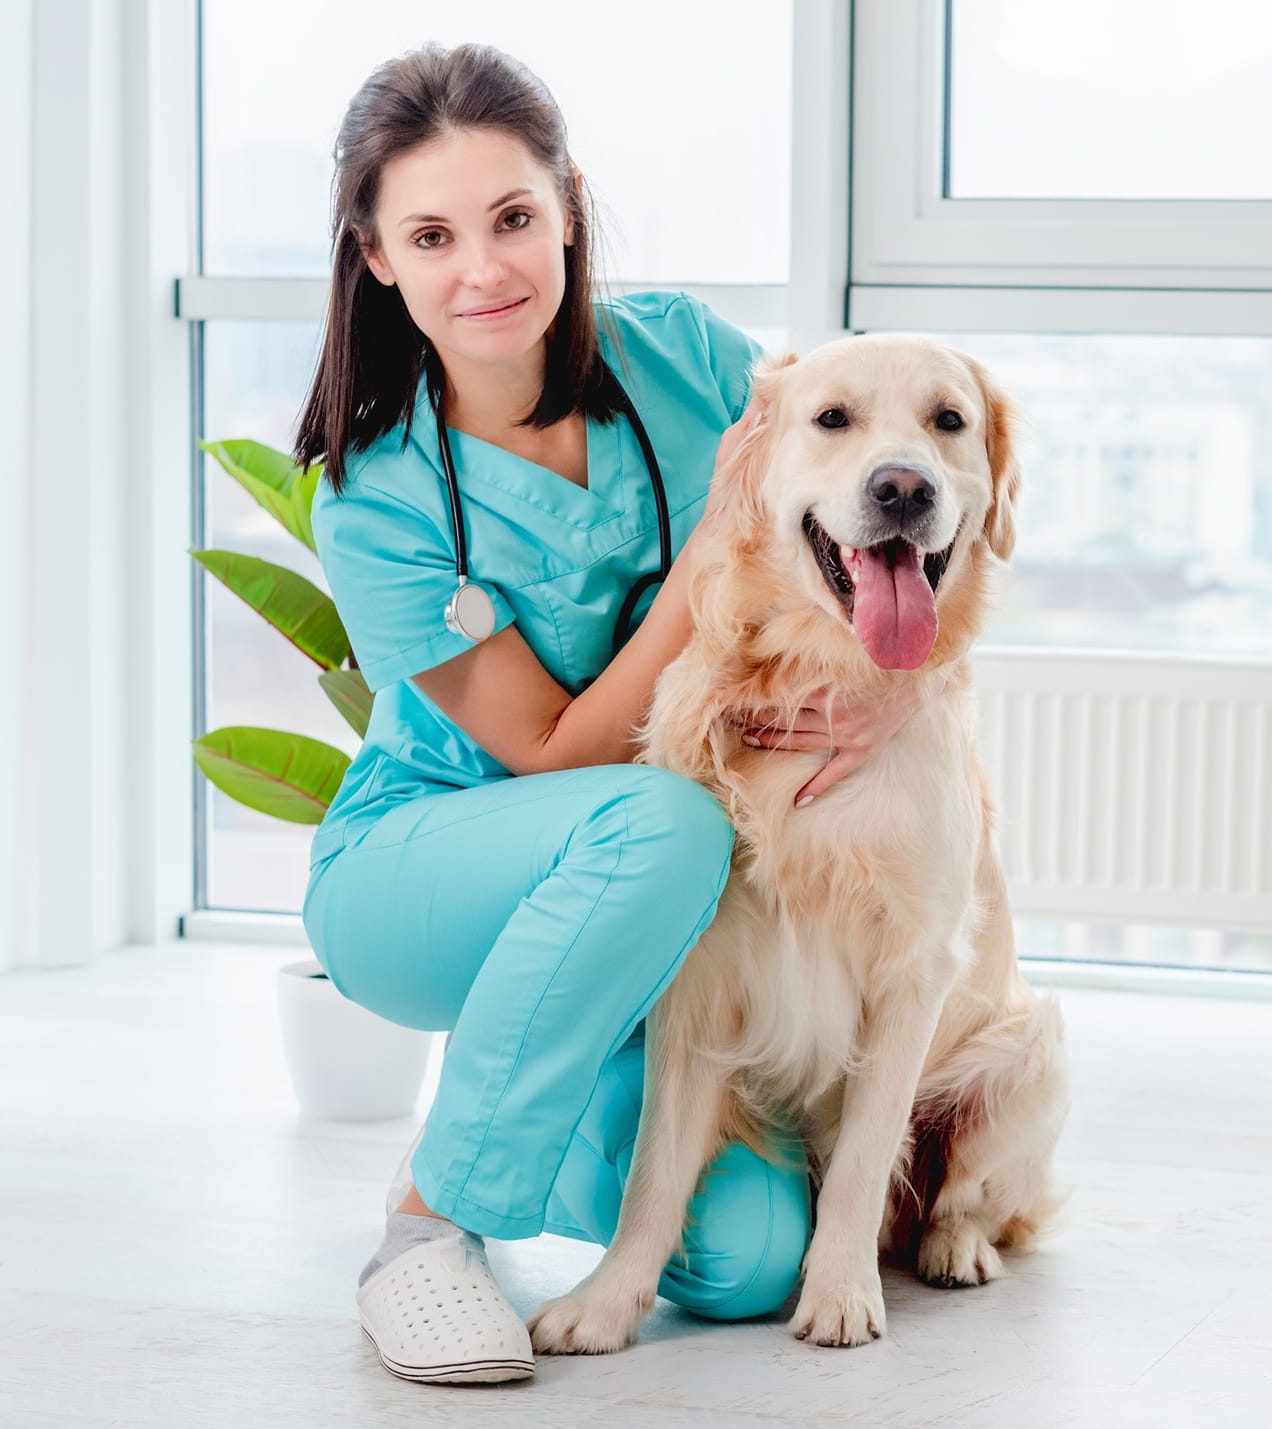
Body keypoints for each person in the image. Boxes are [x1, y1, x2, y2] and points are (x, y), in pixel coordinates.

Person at [296, 42, 919, 1386]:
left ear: (569, 205)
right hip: (428, 868)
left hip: (647, 899)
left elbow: (854, 495)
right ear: (378, 255)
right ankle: (423, 1229)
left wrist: (886, 694)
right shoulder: (379, 496)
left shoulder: (690, 361)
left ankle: (528, 1075)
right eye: (433, 234)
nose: (487, 269)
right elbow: (556, 749)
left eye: (515, 217)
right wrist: (706, 559)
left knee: (744, 1261)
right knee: (663, 818)